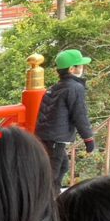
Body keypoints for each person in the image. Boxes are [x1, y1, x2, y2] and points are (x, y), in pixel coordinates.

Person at [35, 48, 96, 190]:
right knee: (51, 175)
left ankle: (54, 197)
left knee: (62, 167)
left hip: (46, 136)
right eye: (80, 65)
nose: (82, 68)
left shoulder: (54, 87)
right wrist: (88, 139)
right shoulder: (75, 87)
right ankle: (45, 200)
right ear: (72, 69)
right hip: (56, 139)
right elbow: (79, 115)